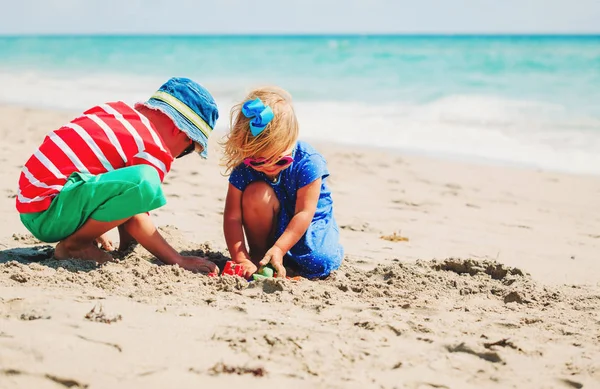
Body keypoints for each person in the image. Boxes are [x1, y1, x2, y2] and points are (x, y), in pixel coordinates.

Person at [16, 77, 219, 274]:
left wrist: (98, 229)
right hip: (51, 214)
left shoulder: (115, 113)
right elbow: (137, 205)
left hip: (33, 204)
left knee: (132, 184)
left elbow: (93, 171)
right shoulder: (154, 147)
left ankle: (82, 237)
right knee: (145, 182)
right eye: (189, 149)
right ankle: (75, 245)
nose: (179, 156)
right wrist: (178, 259)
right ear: (179, 131)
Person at [222, 86, 343, 279]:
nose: (269, 167)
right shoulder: (244, 168)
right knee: (255, 193)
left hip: (306, 224)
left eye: (280, 160)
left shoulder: (308, 162)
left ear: (292, 140)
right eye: (258, 162)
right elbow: (232, 218)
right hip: (269, 222)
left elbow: (305, 212)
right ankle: (261, 257)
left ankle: (280, 256)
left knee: (320, 261)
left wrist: (279, 248)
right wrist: (240, 258)